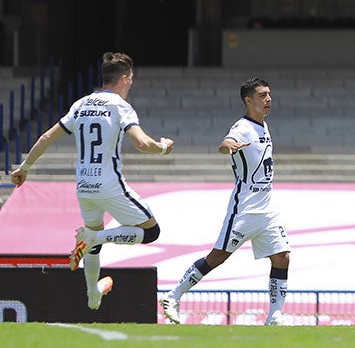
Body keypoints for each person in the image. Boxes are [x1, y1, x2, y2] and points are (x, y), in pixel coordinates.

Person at [10, 52, 174, 310]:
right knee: (151, 232)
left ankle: (92, 295)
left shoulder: (81, 104)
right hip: (109, 184)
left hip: (84, 187)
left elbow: (46, 137)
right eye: (130, 78)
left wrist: (25, 167)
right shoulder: (120, 106)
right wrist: (163, 147)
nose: (130, 83)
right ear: (123, 78)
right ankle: (96, 238)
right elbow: (143, 143)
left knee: (93, 239)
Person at [160, 78, 291, 325]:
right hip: (245, 208)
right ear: (248, 100)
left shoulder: (263, 125)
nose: (268, 99)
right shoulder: (242, 127)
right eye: (262, 95)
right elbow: (225, 143)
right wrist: (228, 146)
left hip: (267, 208)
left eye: (269, 94)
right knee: (217, 257)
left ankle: (275, 316)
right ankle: (172, 296)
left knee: (282, 256)